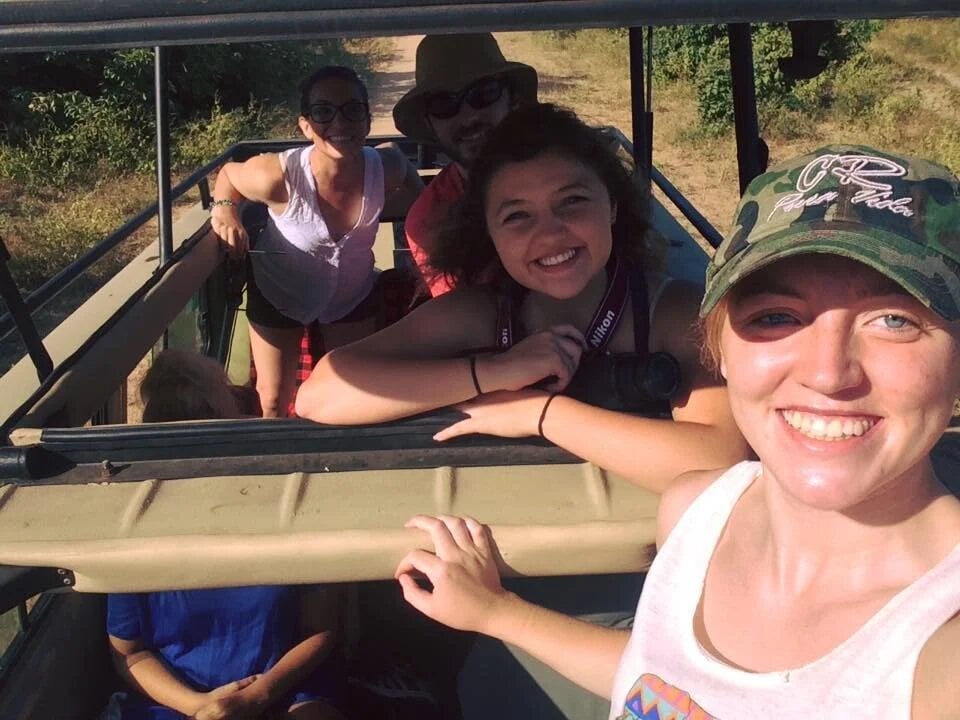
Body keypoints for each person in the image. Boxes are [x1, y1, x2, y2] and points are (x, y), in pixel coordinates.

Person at [394, 145, 960, 719]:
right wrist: (497, 612)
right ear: (720, 350)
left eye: (895, 320)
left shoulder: (944, 643)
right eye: (776, 317)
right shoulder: (700, 511)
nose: (828, 373)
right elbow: (667, 678)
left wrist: (542, 413)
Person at [297, 104, 747, 493]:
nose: (549, 234)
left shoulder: (674, 312)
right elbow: (321, 396)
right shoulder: (480, 313)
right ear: (490, 233)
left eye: (572, 202)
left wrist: (541, 413)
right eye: (517, 216)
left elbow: (722, 460)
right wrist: (496, 371)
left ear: (612, 205)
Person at [107, 349, 348, 720]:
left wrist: (258, 696)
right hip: (176, 699)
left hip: (286, 685)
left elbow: (320, 628)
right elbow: (130, 653)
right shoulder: (132, 530)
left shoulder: (288, 508)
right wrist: (200, 706)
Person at [211, 65, 423, 417]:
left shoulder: (386, 167)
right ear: (306, 126)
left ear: (367, 120)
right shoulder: (276, 176)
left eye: (352, 110)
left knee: (354, 390)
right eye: (324, 112)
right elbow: (230, 174)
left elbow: (408, 174)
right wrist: (225, 210)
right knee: (273, 399)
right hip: (279, 293)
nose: (340, 123)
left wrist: (420, 213)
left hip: (352, 295)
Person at [393, 32, 538, 296]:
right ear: (428, 122)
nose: (469, 116)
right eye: (443, 104)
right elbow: (463, 312)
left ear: (512, 98)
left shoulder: (569, 171)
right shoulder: (431, 219)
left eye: (484, 93)